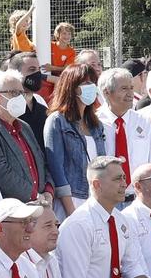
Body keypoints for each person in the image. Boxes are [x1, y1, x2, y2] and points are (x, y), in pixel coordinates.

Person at [0, 67, 53, 205]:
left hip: (41, 203)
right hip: (15, 210)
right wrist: (35, 196)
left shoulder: (24, 127)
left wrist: (48, 191)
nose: (20, 98)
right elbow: (0, 171)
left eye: (22, 93)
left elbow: (42, 161)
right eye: (14, 93)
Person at [41, 64, 106, 219]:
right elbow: (56, 169)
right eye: (85, 83)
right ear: (71, 87)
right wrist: (71, 212)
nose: (90, 87)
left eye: (92, 83)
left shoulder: (97, 125)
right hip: (71, 201)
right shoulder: (57, 121)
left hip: (96, 198)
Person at [98, 67, 151, 192]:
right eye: (124, 89)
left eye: (131, 88)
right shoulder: (94, 122)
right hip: (106, 198)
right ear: (106, 92)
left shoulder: (145, 122)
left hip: (138, 197)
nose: (130, 94)